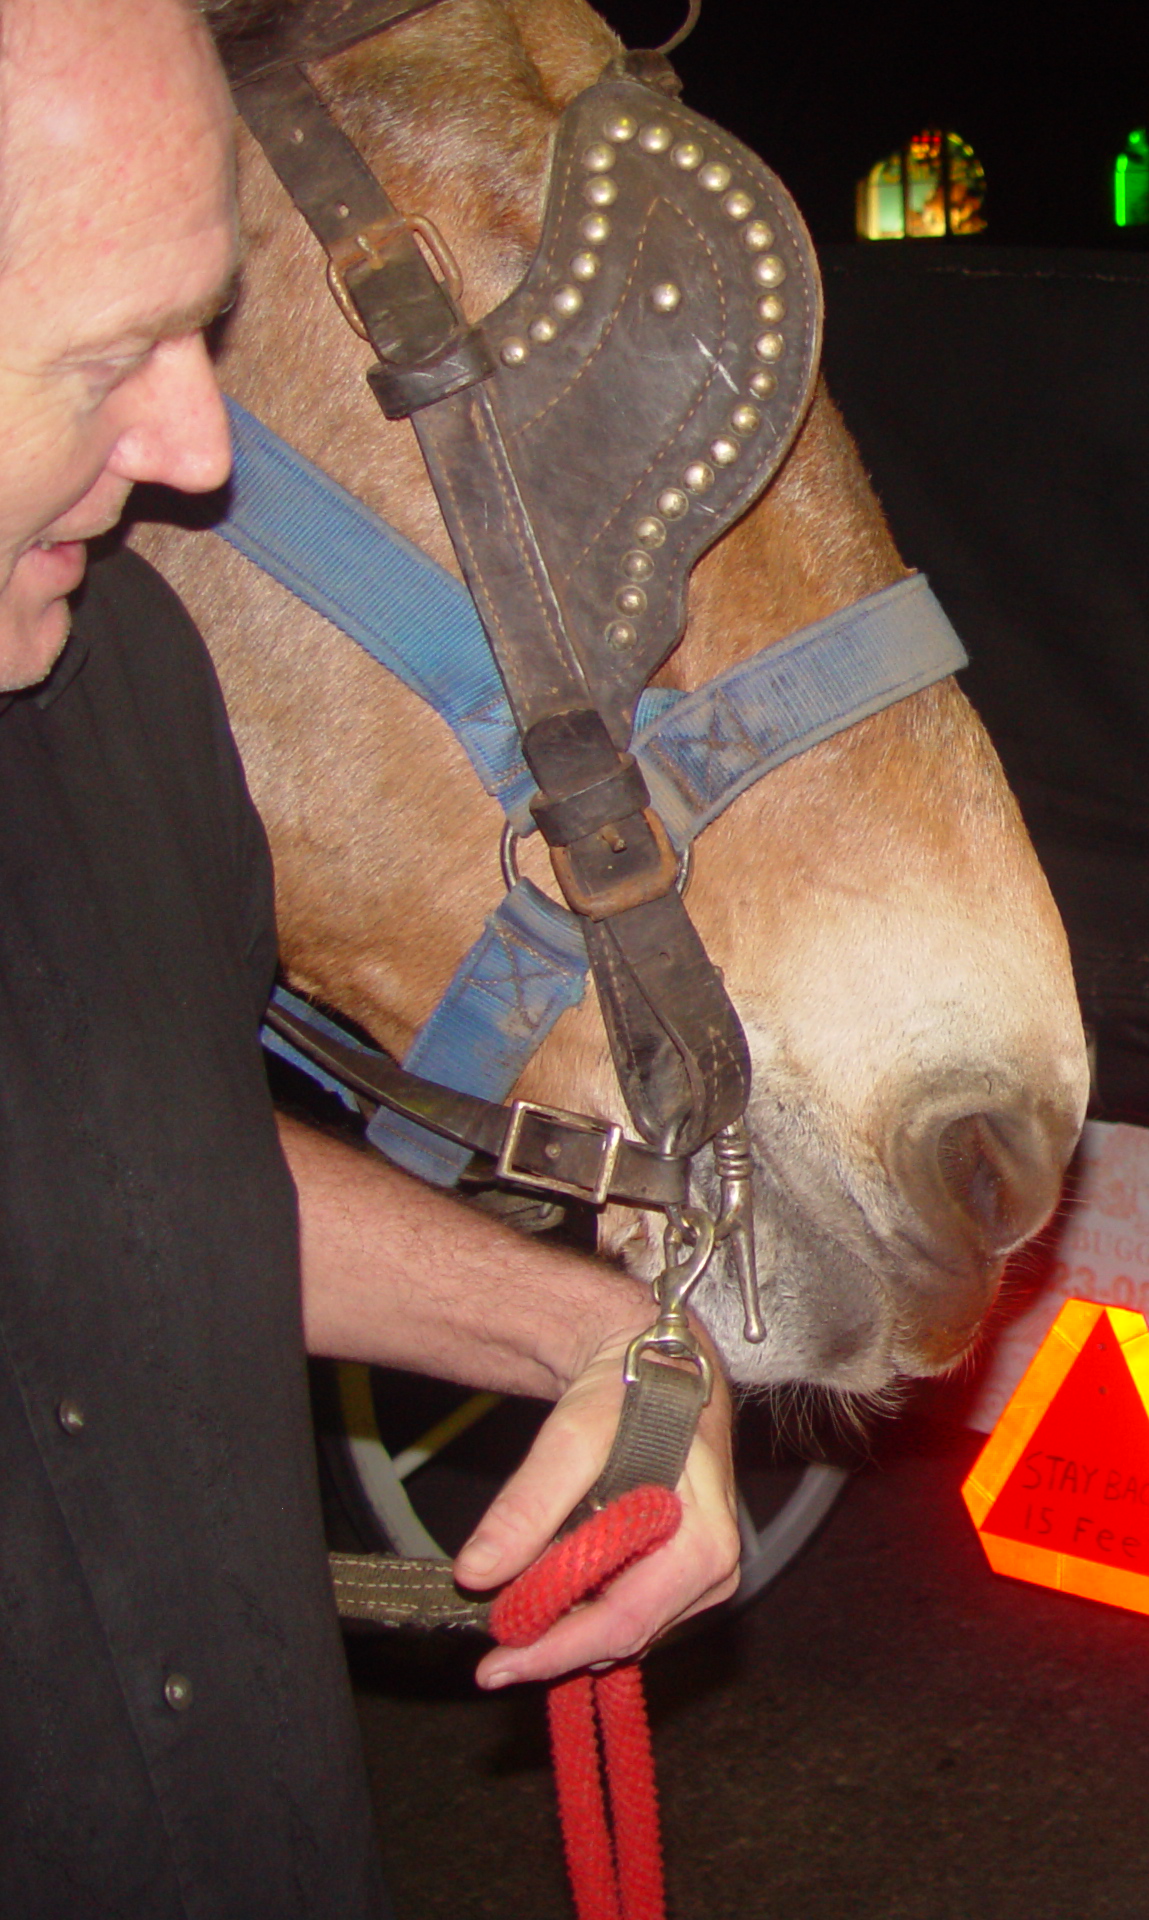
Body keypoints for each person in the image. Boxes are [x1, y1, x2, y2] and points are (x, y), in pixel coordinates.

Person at [0, 1, 737, 1910]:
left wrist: (590, 1331)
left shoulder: (124, 692)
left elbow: (123, 1162)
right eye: (107, 357)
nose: (188, 444)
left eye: (204, 323)